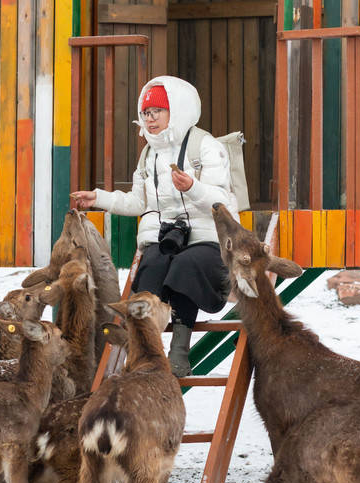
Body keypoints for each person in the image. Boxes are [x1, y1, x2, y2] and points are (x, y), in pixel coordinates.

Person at [71, 75, 239, 377]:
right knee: (152, 267)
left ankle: (179, 352)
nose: (150, 119)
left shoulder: (206, 146)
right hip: (167, 238)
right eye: (146, 113)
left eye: (157, 112)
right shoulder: (149, 154)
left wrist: (192, 187)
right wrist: (99, 198)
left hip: (209, 239)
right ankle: (144, 349)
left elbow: (221, 202)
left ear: (176, 110)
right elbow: (138, 202)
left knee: (186, 266)